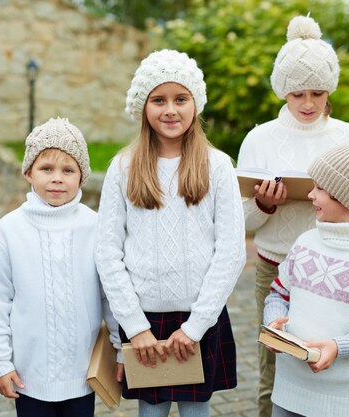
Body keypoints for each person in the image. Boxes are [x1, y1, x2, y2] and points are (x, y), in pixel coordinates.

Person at [95, 49, 246, 417]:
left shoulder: (218, 166)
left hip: (201, 318)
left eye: (181, 99)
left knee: (197, 412)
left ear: (196, 103)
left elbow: (231, 252)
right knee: (151, 412)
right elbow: (107, 252)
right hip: (145, 319)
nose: (170, 110)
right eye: (158, 100)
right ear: (142, 107)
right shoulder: (123, 168)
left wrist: (195, 327)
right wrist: (134, 326)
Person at [235, 15, 349, 417]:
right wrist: (265, 204)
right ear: (282, 91)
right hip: (275, 270)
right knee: (274, 372)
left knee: (332, 366)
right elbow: (240, 223)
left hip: (336, 270)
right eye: (296, 94)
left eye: (317, 92)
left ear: (330, 90)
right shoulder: (259, 139)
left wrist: (336, 205)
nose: (308, 103)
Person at [0, 117, 120, 417]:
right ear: (29, 172)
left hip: (83, 374)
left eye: (68, 170)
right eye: (47, 169)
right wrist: (1, 363)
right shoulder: (8, 230)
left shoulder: (95, 226)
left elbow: (111, 294)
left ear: (82, 177)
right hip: (29, 376)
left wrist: (120, 347)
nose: (57, 178)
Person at [263, 138, 349, 417]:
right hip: (288, 386)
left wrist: (338, 347)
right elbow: (278, 293)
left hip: (339, 400)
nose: (310, 195)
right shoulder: (305, 242)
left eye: (320, 188)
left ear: (348, 197)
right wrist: (273, 322)